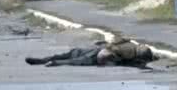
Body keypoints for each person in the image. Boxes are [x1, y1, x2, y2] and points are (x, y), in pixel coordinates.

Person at [25, 39, 157, 69]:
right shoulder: (130, 53)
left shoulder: (131, 43)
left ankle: (41, 60)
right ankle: (54, 63)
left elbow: (119, 40)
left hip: (97, 48)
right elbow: (116, 56)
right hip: (99, 55)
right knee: (76, 61)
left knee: (69, 54)